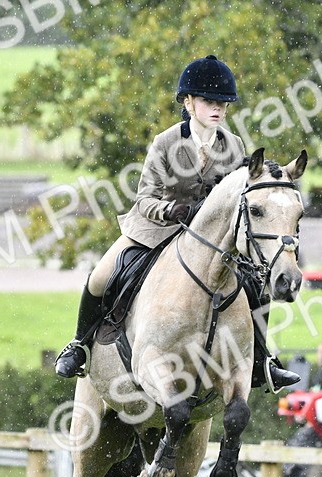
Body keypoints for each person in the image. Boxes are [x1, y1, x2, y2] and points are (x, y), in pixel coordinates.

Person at [53, 55, 300, 392]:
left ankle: (261, 361)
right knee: (101, 275)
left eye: (222, 103)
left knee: (256, 284)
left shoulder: (233, 145)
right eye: (208, 101)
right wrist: (170, 210)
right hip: (156, 229)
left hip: (211, 238)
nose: (217, 109)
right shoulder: (166, 142)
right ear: (188, 103)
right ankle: (79, 346)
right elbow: (145, 198)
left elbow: (240, 192)